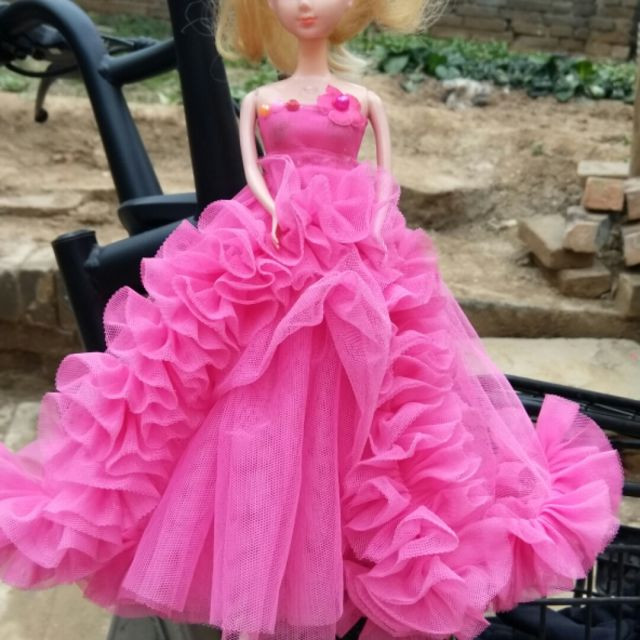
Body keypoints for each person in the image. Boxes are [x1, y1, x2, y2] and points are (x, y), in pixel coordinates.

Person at [0, 1, 623, 639]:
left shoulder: (361, 99)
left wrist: (374, 219)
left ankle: (365, 549)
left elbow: (384, 175)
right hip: (269, 237)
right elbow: (251, 170)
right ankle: (263, 551)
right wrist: (275, 211)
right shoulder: (262, 99)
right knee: (233, 381)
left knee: (386, 394)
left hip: (355, 240)